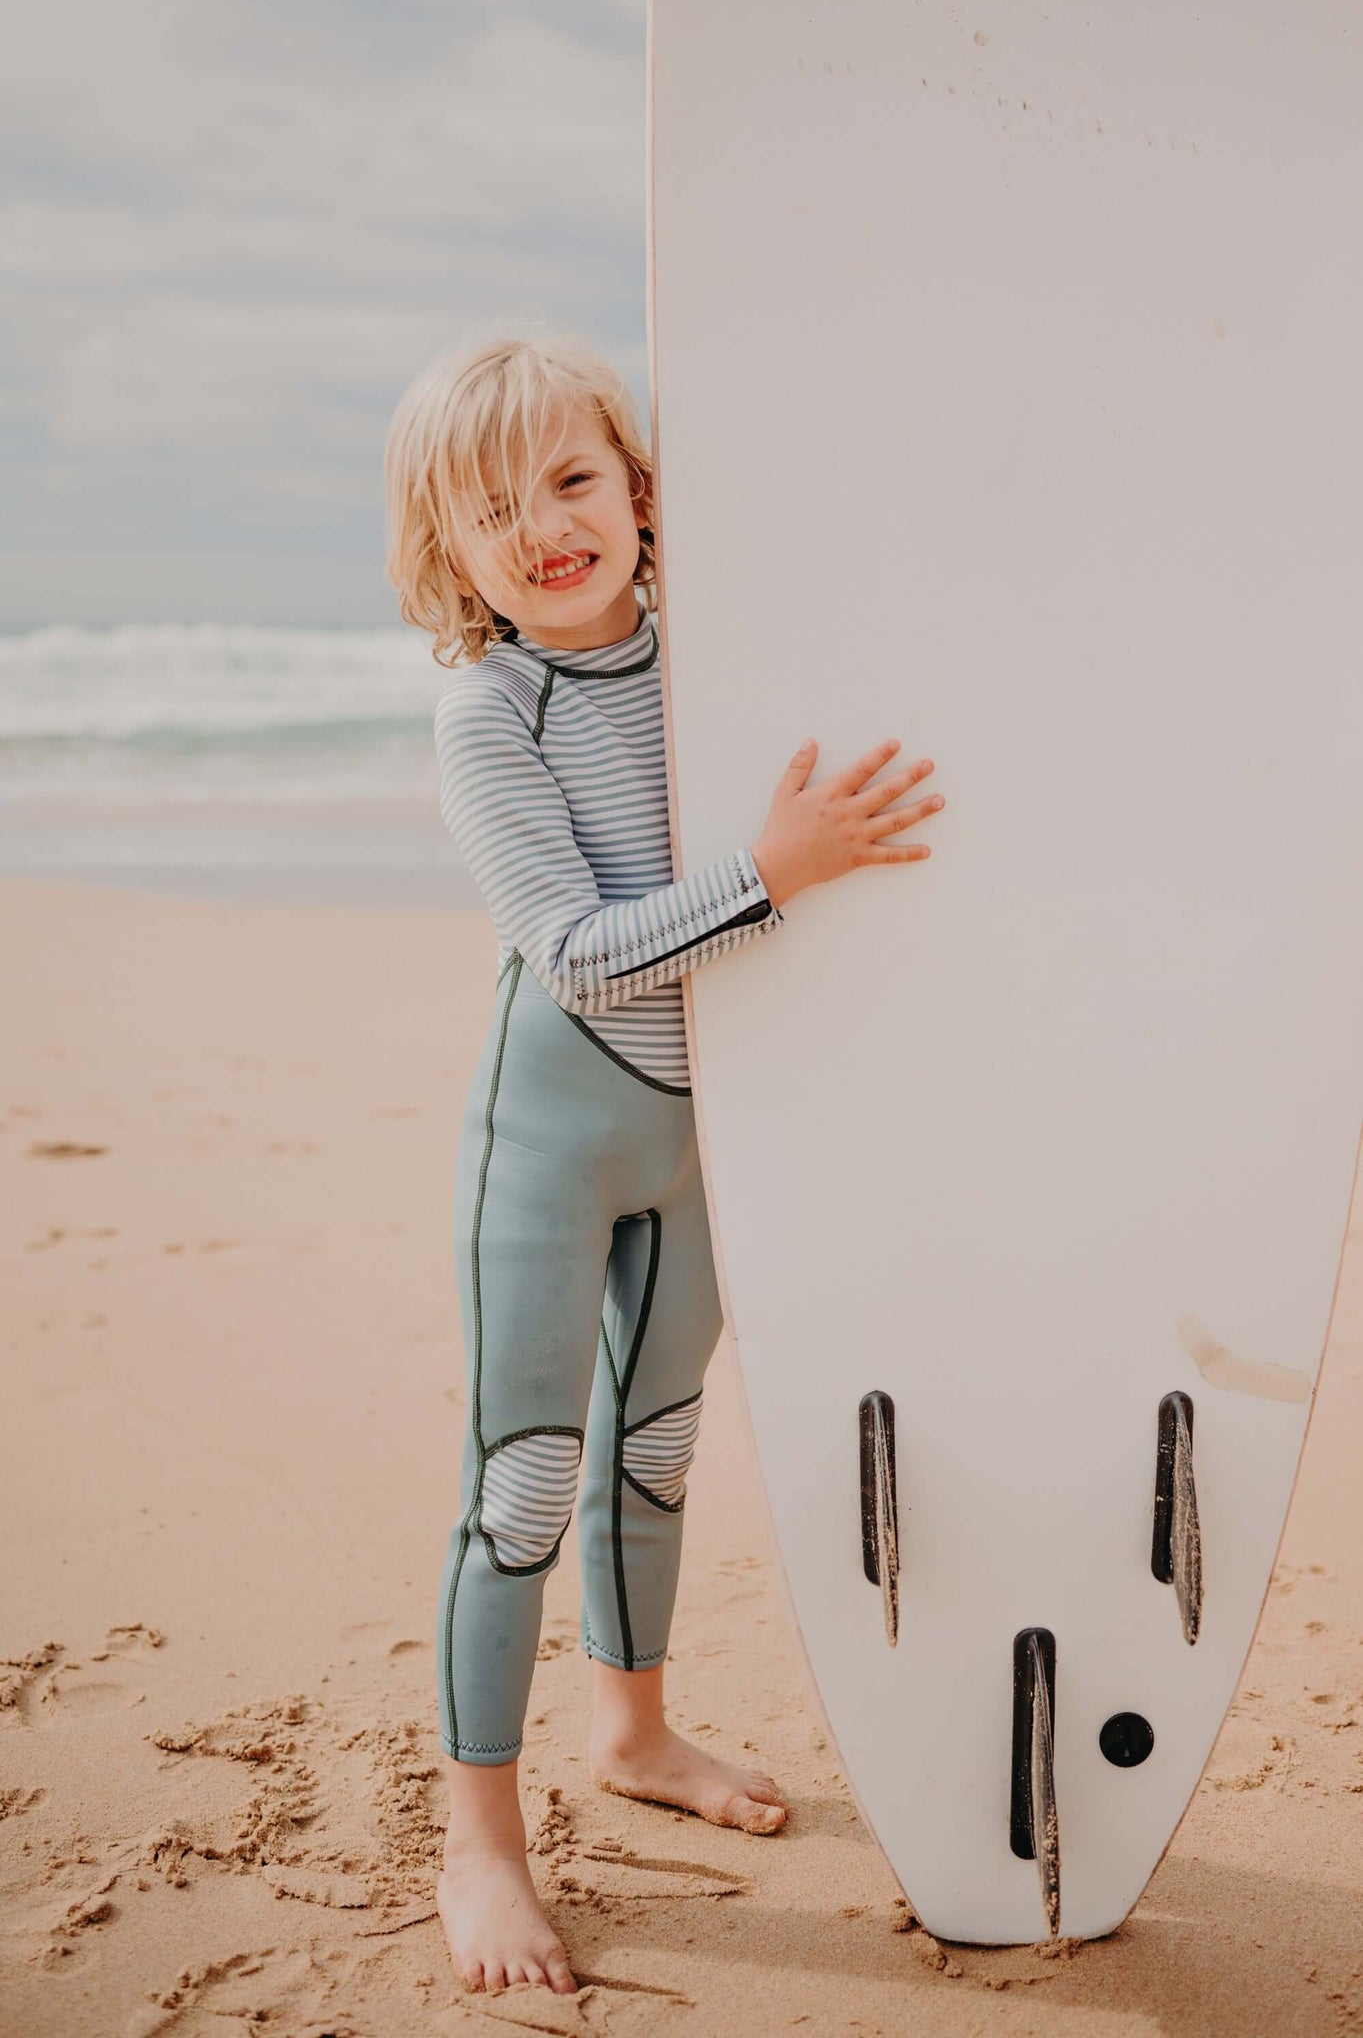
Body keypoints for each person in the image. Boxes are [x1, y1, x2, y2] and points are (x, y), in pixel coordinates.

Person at [383, 330, 944, 1996]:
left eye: (571, 478)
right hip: (554, 1134)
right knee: (525, 1486)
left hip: (711, 1130)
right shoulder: (488, 710)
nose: (545, 527)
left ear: (637, 487)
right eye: (495, 509)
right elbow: (570, 950)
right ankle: (477, 1838)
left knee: (663, 1446)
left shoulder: (722, 653)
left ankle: (633, 1733)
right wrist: (776, 874)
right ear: (450, 550)